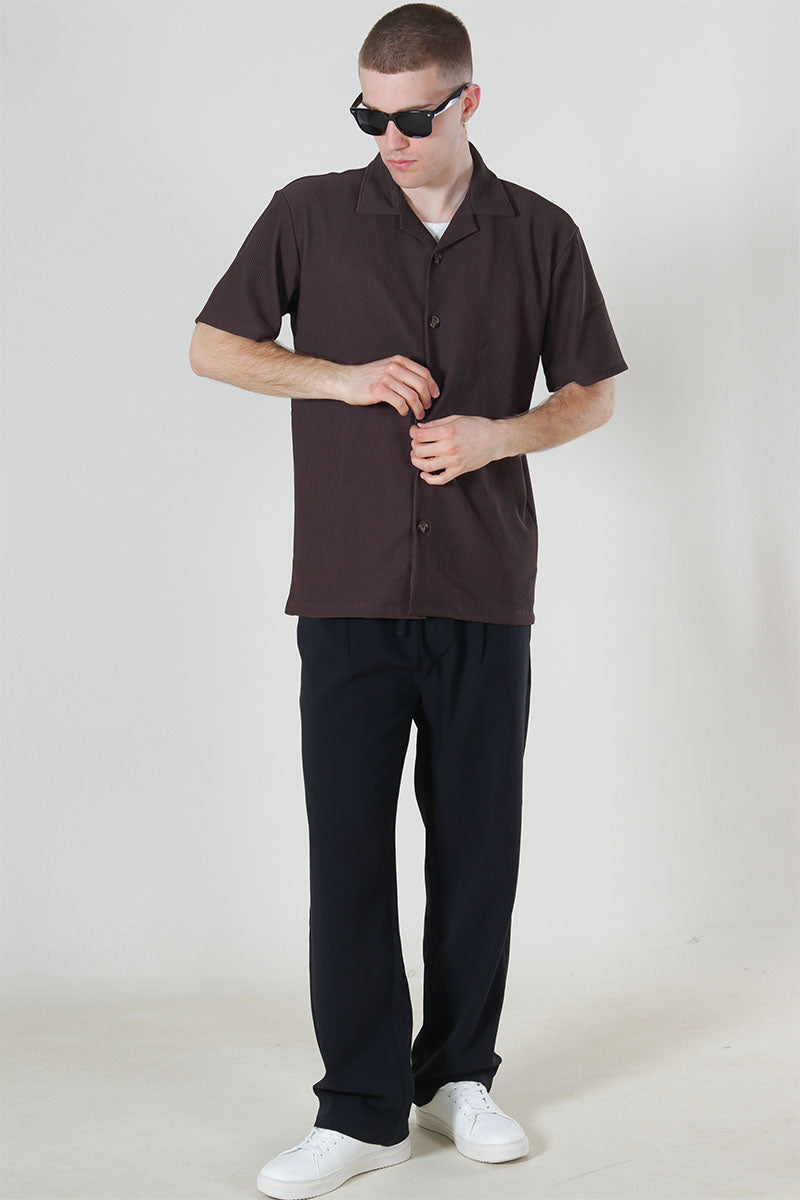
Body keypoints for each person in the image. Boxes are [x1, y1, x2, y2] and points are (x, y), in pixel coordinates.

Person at [190, 5, 628, 1197]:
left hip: (484, 587)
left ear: (466, 101)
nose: (389, 136)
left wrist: (496, 437)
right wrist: (337, 379)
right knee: (348, 850)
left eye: (412, 116)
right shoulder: (306, 215)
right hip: (345, 586)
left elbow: (590, 393)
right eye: (368, 115)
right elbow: (213, 346)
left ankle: (458, 1077)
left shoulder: (539, 232)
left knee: (477, 847)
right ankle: (359, 1108)